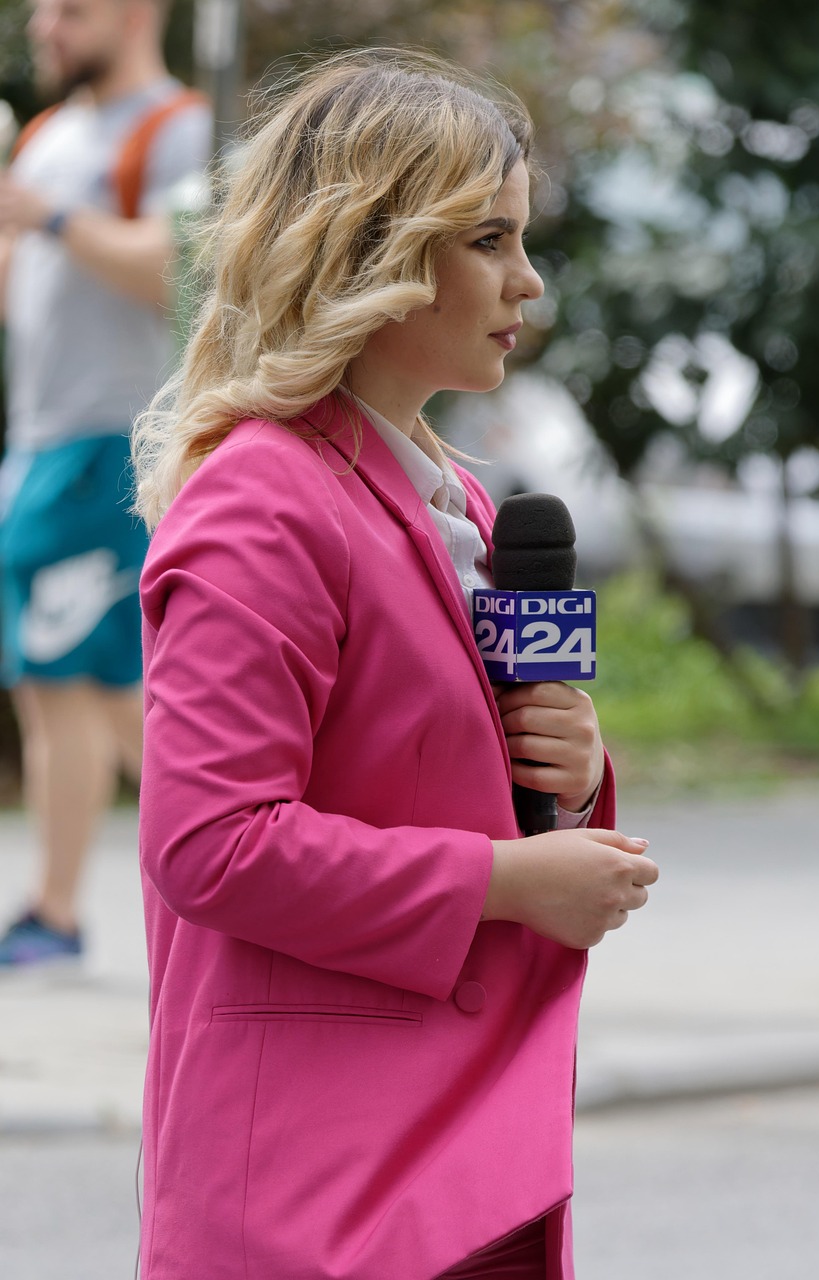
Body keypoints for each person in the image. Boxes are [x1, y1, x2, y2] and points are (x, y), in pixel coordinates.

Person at [130, 50, 659, 1280]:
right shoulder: (260, 500)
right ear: (368, 248)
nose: (527, 281)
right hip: (325, 1193)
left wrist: (572, 774)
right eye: (489, 239)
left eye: (522, 239)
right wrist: (507, 881)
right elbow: (211, 842)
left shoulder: (461, 500)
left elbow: (455, 777)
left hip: (463, 1160)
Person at [0, 0, 211, 965]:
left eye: (69, 8)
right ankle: (72, 908)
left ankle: (66, 913)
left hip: (112, 444)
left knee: (80, 682)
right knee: (91, 685)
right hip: (43, 443)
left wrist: (46, 215)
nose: (44, 26)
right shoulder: (48, 134)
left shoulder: (183, 131)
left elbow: (182, 275)